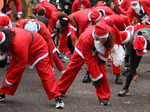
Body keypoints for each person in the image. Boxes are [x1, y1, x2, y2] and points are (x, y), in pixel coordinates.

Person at [0, 27, 64, 109]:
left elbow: (21, 65)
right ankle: (3, 92)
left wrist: (9, 80)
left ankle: (57, 97)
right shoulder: (7, 34)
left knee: (45, 73)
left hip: (39, 48)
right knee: (11, 70)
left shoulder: (18, 44)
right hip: (25, 46)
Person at [57, 22, 115, 106]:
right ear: (98, 37)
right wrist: (95, 77)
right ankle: (60, 89)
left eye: (106, 38)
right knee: (72, 69)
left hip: (96, 49)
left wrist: (103, 60)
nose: (105, 39)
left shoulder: (107, 33)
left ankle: (104, 97)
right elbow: (90, 61)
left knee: (102, 70)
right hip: (82, 49)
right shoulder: (86, 39)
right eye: (104, 38)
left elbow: (107, 46)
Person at [117, 24, 150, 96]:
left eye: (141, 51)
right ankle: (125, 89)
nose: (139, 53)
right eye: (138, 51)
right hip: (139, 37)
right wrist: (134, 73)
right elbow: (132, 63)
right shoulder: (132, 43)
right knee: (132, 67)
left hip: (147, 32)